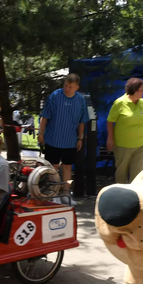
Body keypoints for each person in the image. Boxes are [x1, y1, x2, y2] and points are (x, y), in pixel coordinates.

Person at [38, 74, 90, 204]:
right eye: (65, 85)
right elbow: (45, 116)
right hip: (53, 138)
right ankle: (54, 193)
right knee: (53, 167)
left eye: (70, 87)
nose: (67, 89)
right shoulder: (55, 95)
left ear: (77, 87)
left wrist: (80, 138)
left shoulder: (81, 100)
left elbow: (82, 121)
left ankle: (66, 194)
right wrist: (41, 133)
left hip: (70, 140)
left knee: (67, 167)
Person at [107, 78, 143, 184]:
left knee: (137, 175)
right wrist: (110, 139)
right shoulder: (119, 103)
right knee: (121, 174)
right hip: (123, 145)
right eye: (141, 89)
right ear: (134, 90)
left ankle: (134, 193)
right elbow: (110, 121)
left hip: (140, 144)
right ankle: (120, 193)